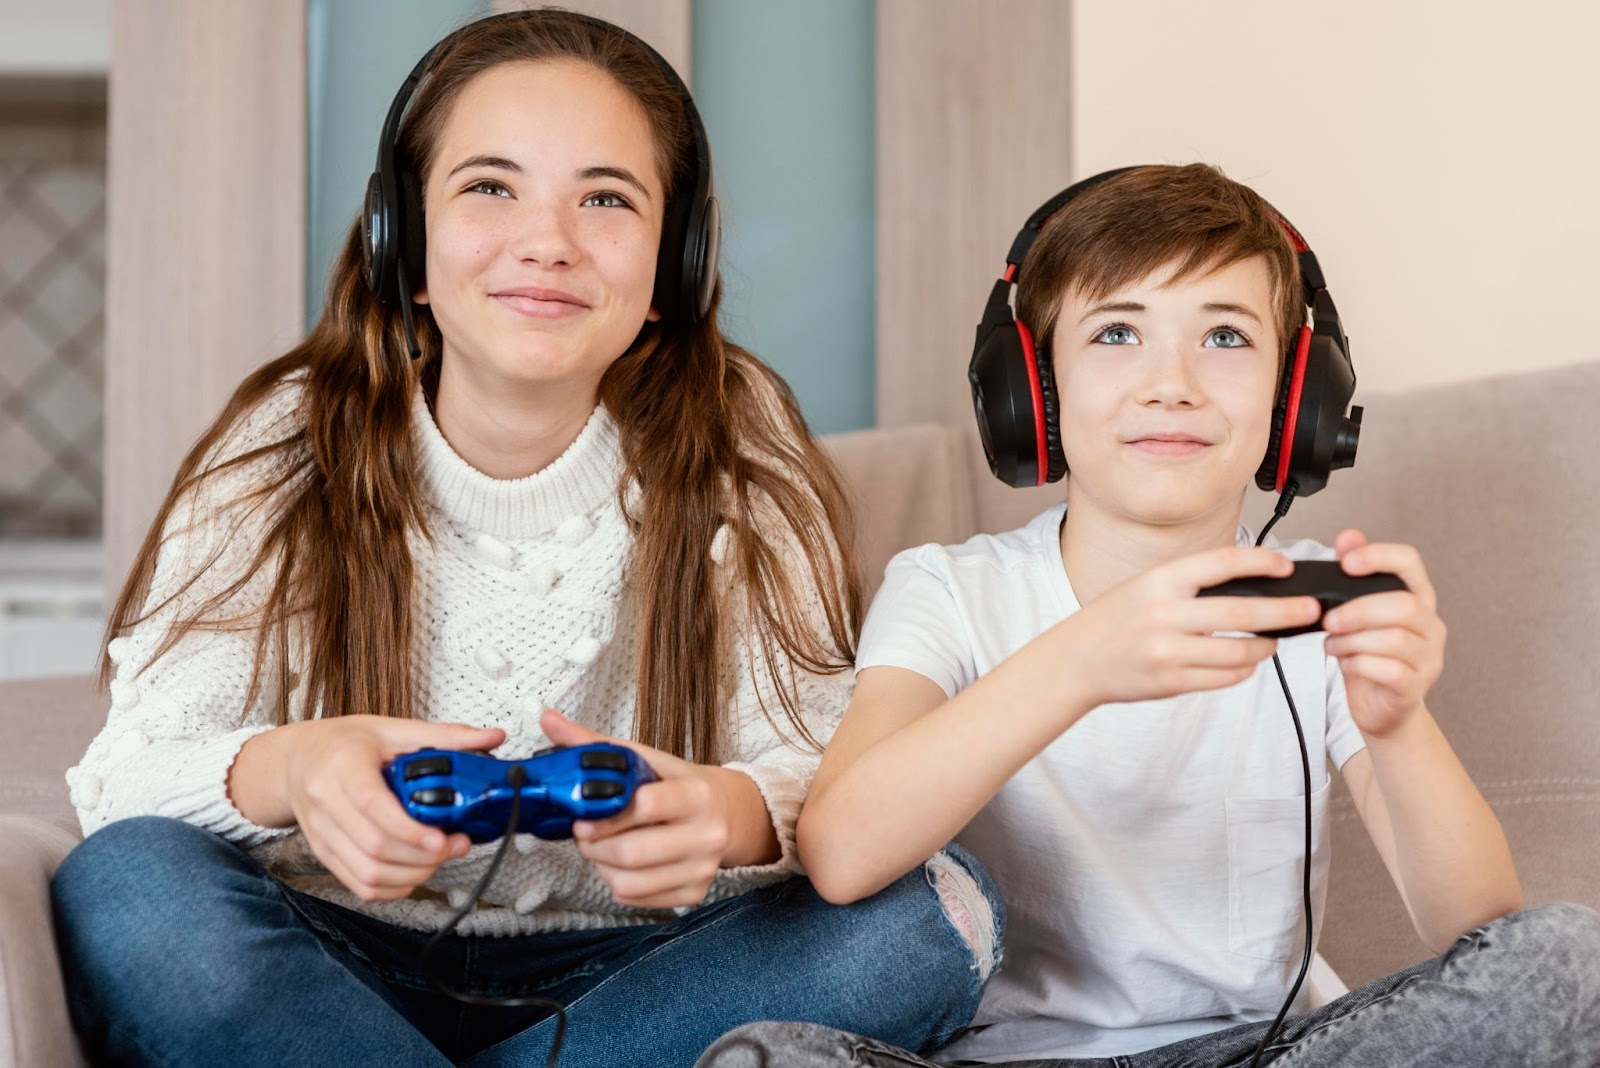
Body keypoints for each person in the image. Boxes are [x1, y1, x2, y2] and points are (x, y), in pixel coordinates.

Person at [49, 11, 1001, 1067]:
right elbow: (118, 782)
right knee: (129, 884)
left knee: (937, 908)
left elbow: (836, 777)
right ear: (402, 247)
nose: (547, 239)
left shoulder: (740, 445)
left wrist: (728, 813)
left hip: (648, 969)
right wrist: (295, 766)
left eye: (605, 198)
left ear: (671, 268)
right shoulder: (284, 443)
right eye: (489, 187)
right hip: (330, 955)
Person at [699, 164, 1600, 1067]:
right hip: (1004, 1060)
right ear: (1032, 392)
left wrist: (1396, 727)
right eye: (1118, 332)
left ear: (1299, 400)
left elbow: (1480, 930)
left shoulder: (1316, 597)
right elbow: (842, 854)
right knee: (770, 1056)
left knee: (1568, 958)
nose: (1172, 383)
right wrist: (1083, 659)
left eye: (1225, 337)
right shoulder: (947, 589)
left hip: (1261, 1053)